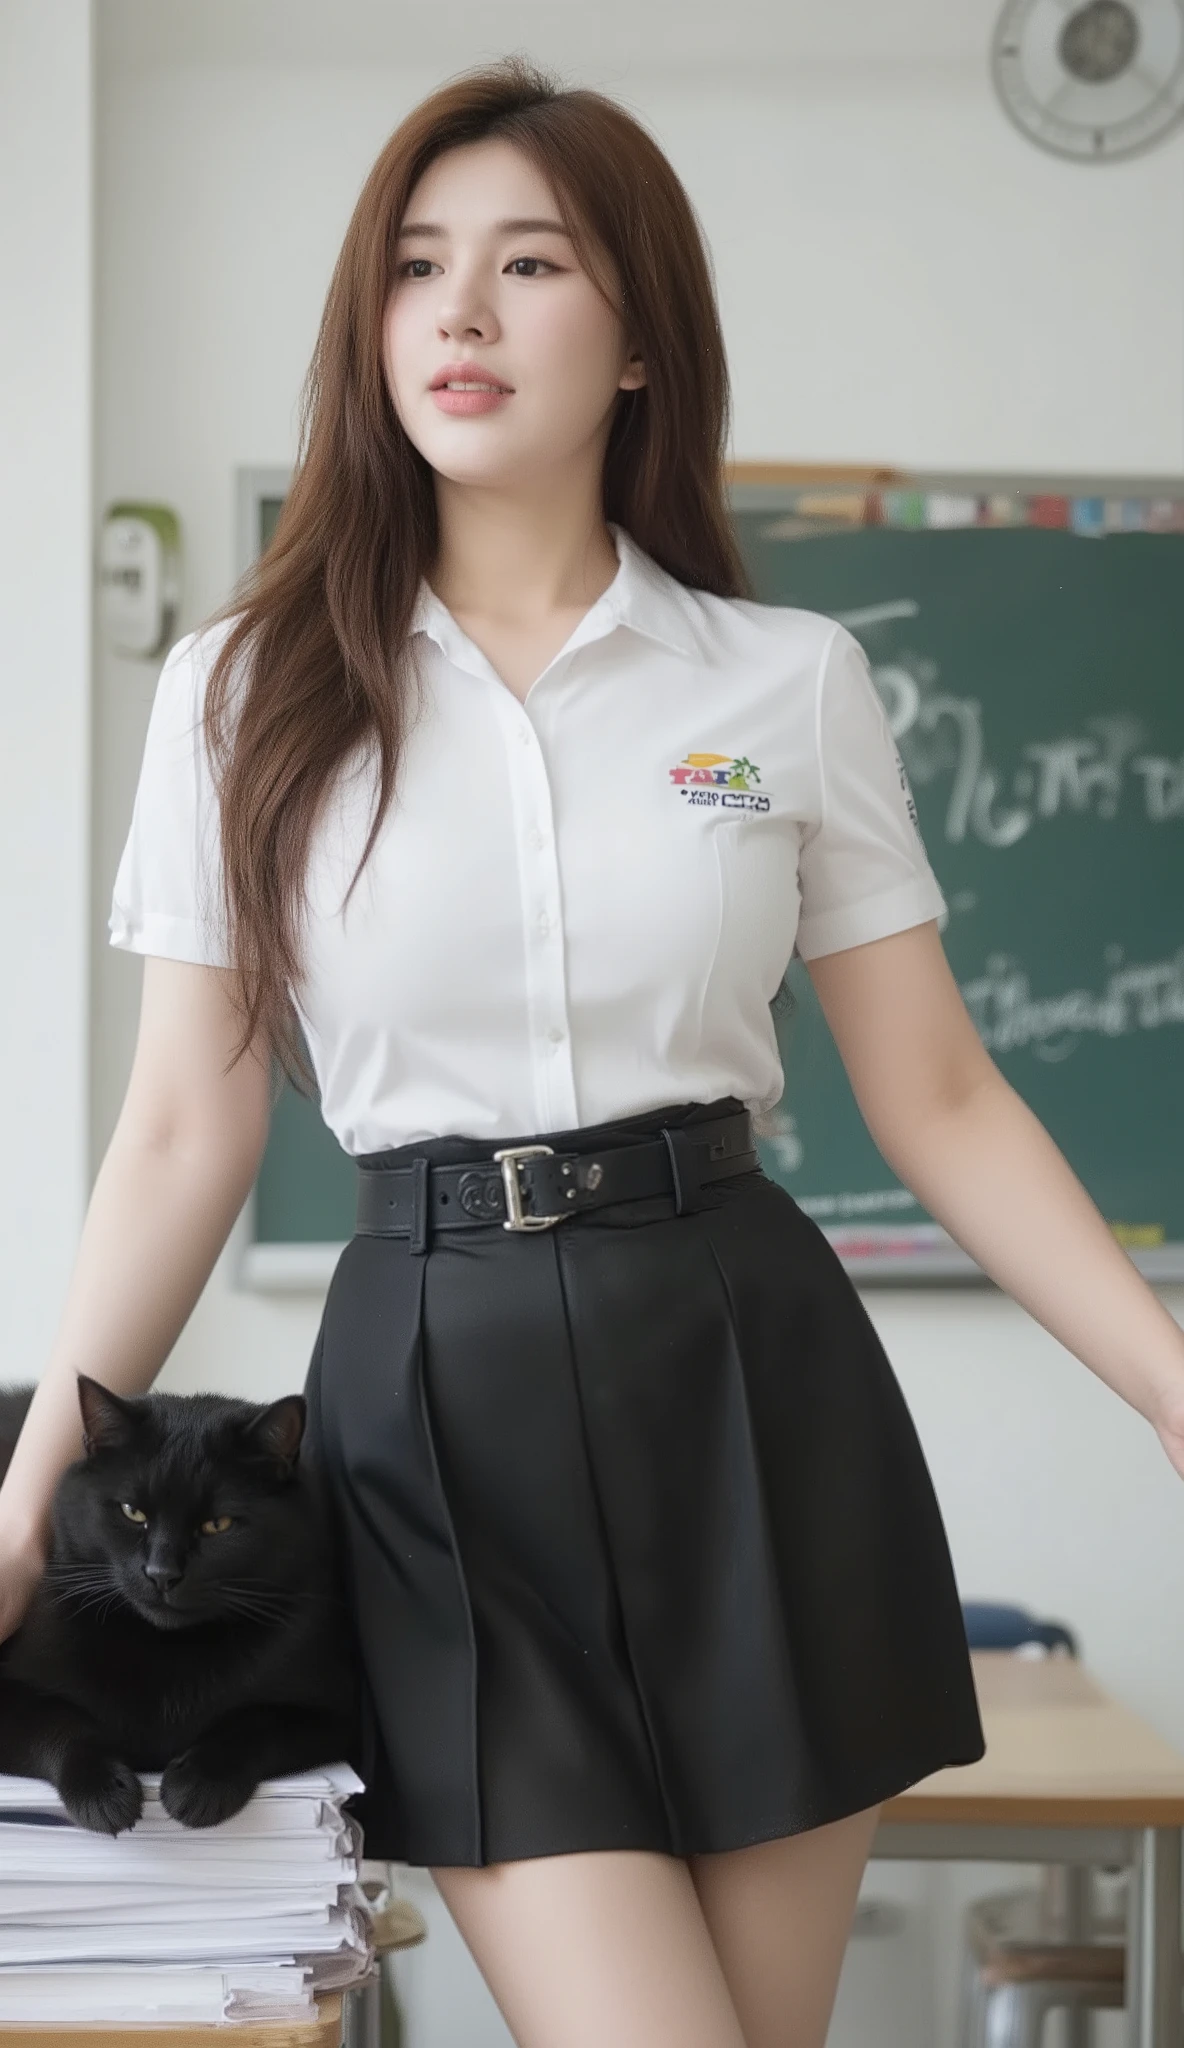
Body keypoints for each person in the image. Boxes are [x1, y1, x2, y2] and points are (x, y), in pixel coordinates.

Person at [3, 55, 1183, 2048]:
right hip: (430, 1417)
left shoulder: (786, 684)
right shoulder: (242, 688)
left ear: (635, 334)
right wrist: (30, 1498)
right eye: (415, 267)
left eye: (527, 263)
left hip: (744, 1381)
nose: (456, 314)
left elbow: (941, 1093)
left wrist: (1168, 1385)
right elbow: (184, 1124)